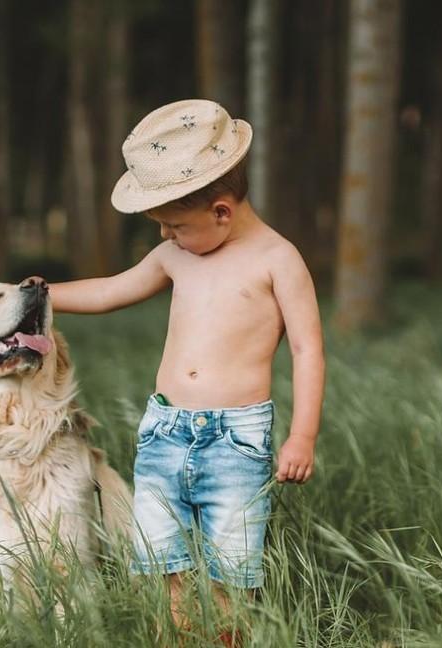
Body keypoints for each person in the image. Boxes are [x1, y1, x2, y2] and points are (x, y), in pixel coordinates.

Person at [47, 98, 325, 636]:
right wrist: (42, 296)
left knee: (231, 573)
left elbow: (307, 350)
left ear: (221, 211)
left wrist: (303, 436)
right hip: (164, 434)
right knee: (160, 564)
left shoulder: (278, 260)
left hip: (235, 442)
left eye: (173, 225)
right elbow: (109, 291)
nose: (164, 236)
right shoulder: (177, 255)